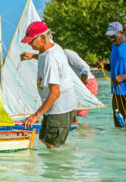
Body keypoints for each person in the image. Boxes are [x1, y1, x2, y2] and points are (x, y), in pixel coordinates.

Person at [20, 21, 76, 149]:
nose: (29, 43)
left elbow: (55, 92)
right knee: (44, 139)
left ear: (43, 37)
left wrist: (35, 115)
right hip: (52, 107)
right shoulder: (52, 47)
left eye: (31, 40)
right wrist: (32, 56)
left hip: (60, 107)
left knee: (53, 145)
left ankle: (69, 159)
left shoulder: (51, 58)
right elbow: (44, 55)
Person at [63, 49, 98, 119]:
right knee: (71, 114)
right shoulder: (51, 56)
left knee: (73, 113)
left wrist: (81, 86)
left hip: (87, 83)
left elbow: (85, 68)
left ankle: (79, 128)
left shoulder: (67, 53)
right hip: (75, 85)